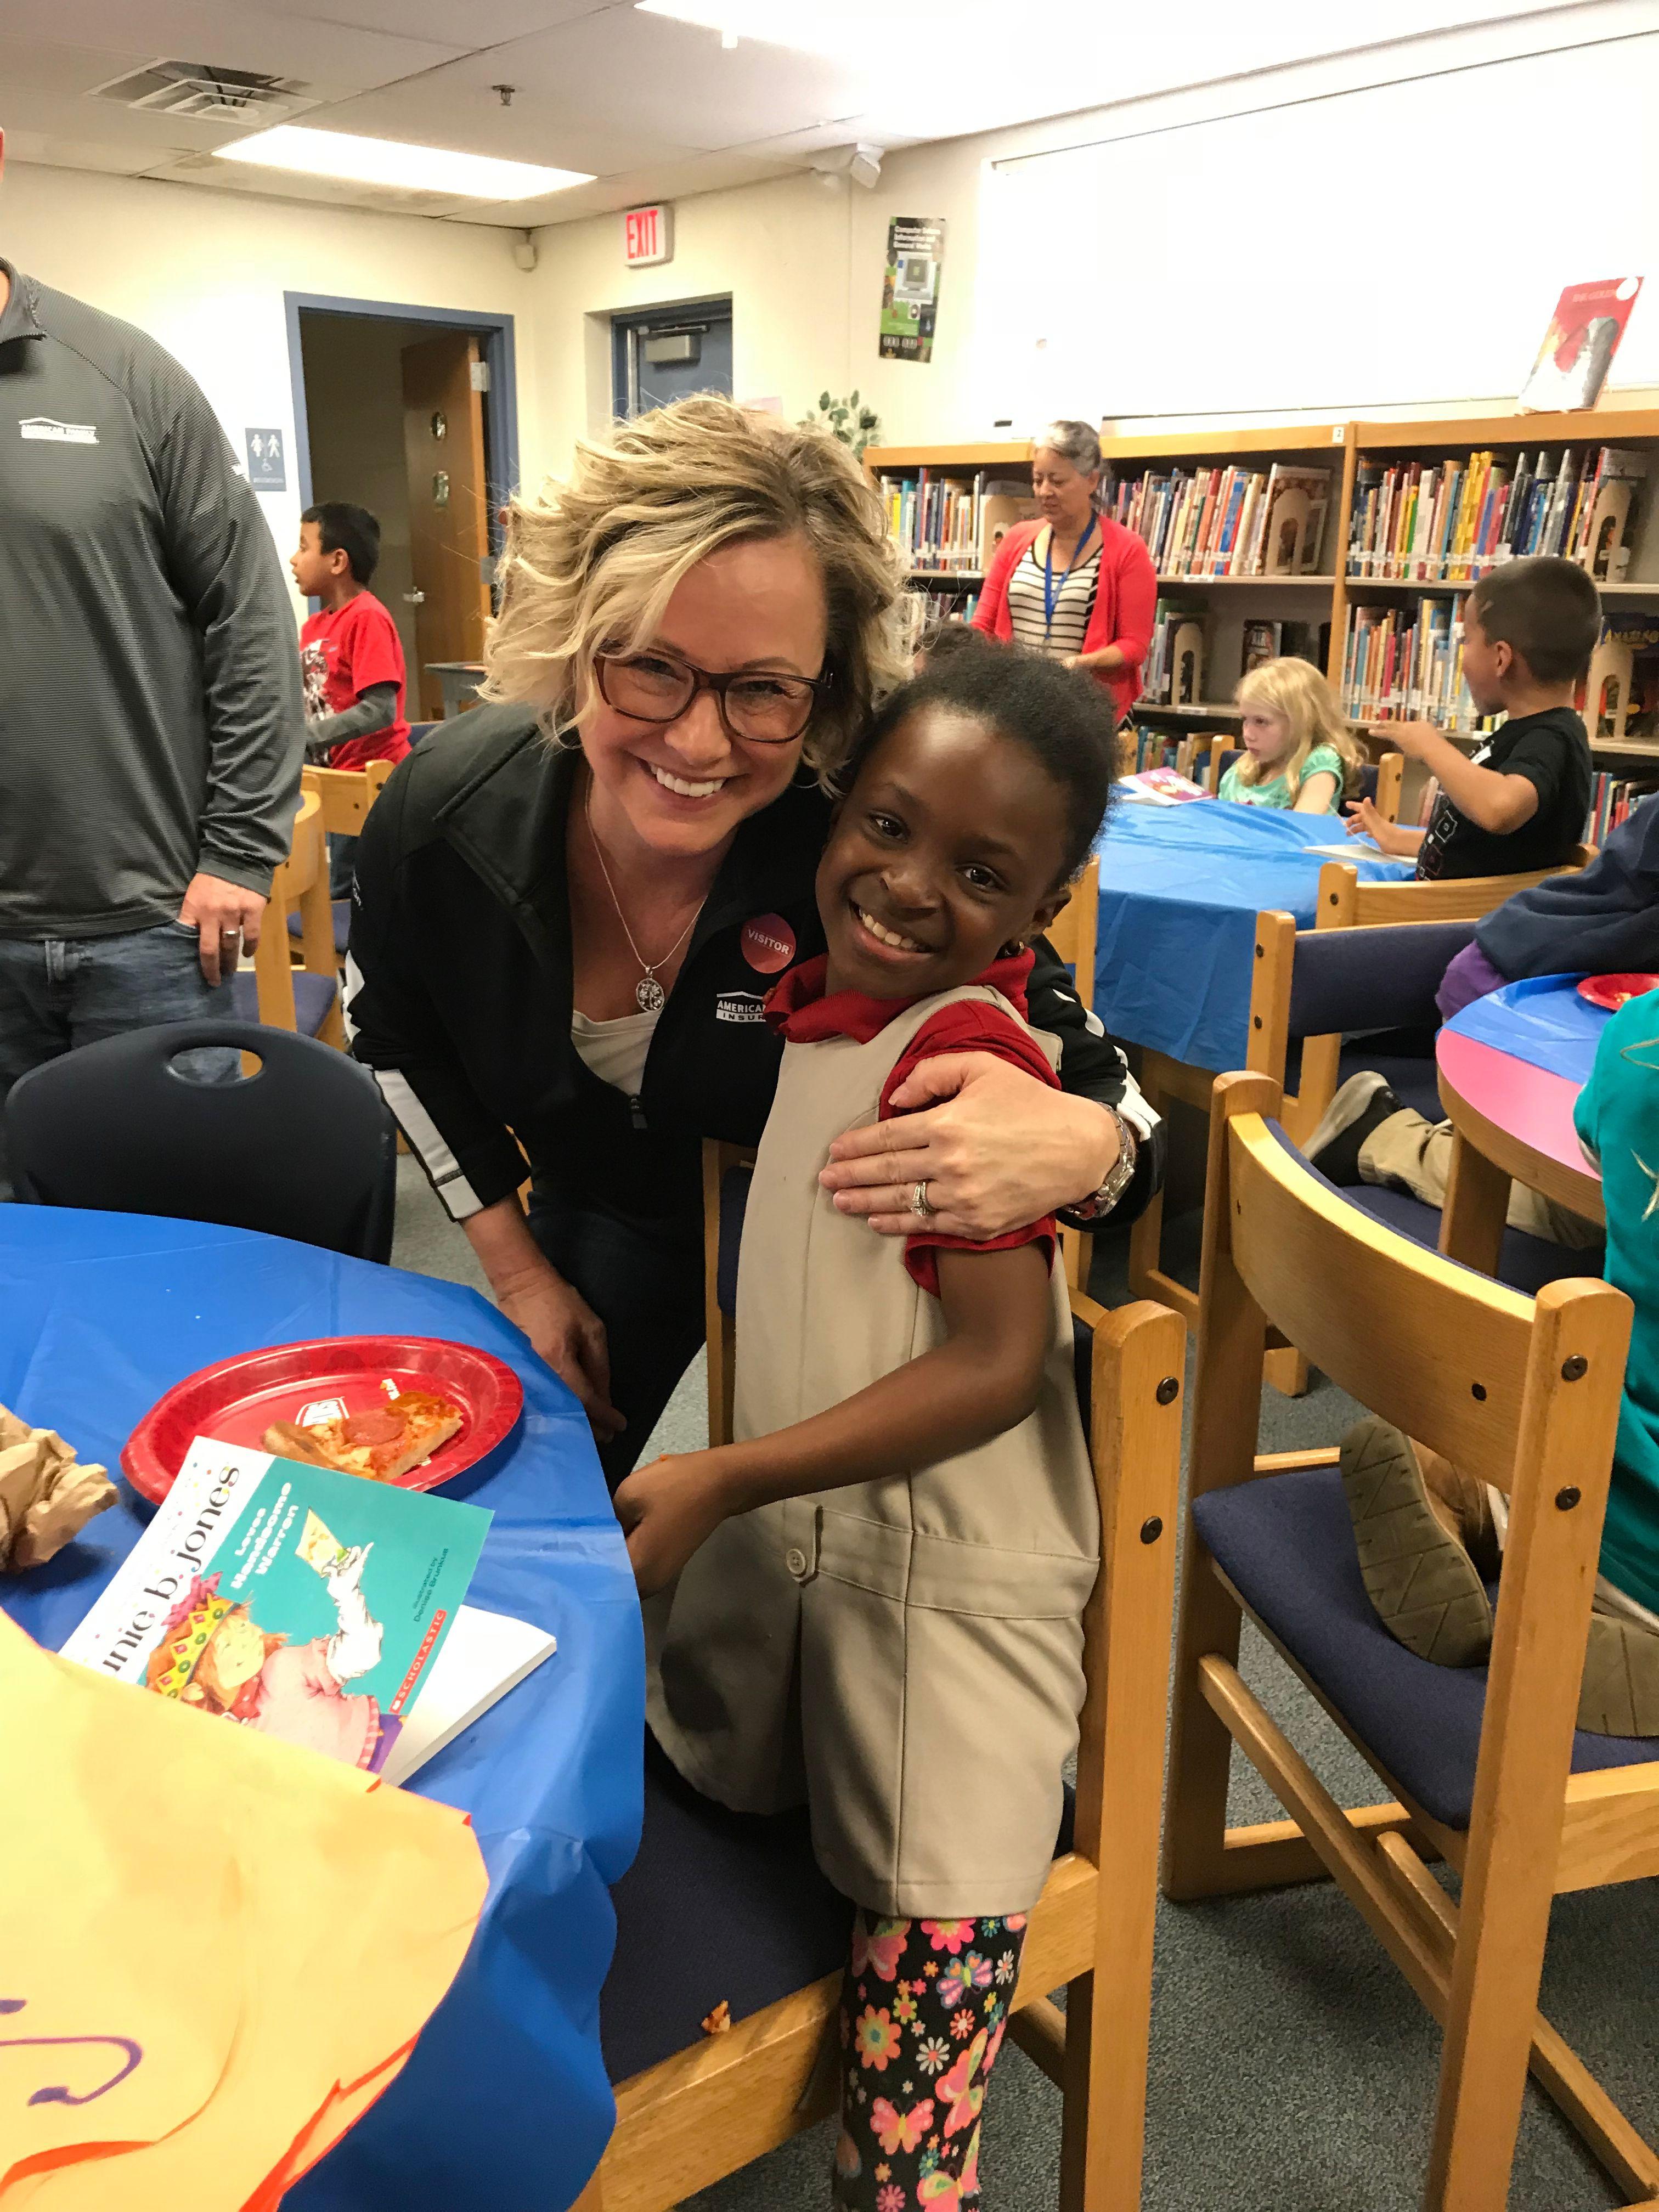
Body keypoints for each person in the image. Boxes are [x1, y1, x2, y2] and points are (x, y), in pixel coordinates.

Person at [346, 398, 1161, 1485]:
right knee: (527, 1496)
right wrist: (520, 1273)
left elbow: (1121, 1108)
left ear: (827, 688)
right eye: (648, 665)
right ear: (575, 635)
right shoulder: (446, 816)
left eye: (764, 690)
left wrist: (1090, 1151)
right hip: (599, 1208)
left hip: (829, 1230)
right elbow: (392, 1031)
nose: (697, 739)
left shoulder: (870, 835)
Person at [618, 639, 1116, 2210]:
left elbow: (994, 1363)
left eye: (982, 872)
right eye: (888, 828)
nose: (908, 887)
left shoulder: (967, 1062)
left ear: (1040, 911)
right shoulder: (816, 1016)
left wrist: (726, 1470)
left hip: (948, 1633)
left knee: (901, 2162)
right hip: (808, 1592)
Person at [0, 139, 302, 1193]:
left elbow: (252, 618)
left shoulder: (121, 375)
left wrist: (241, 850)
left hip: (147, 926)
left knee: (180, 1230)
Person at [1339, 984, 1659, 1737]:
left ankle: (1476, 1482)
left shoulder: (1639, 1033)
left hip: (1592, 1471)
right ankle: (1593, 1616)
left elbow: (1589, 1142)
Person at [1344, 555, 1596, 879]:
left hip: (1453, 924)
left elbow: (1499, 810)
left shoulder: (1551, 739)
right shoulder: (1530, 733)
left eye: (1467, 642)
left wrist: (1431, 747)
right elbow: (1478, 847)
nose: (1462, 659)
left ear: (1501, 659)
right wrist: (1395, 838)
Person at [970, 420, 1156, 722]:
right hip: (1012, 706)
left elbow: (1134, 646)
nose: (1044, 492)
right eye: (1038, 480)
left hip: (1083, 712)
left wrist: (1078, 664)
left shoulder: (1127, 549)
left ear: (1092, 481)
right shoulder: (1016, 539)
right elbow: (982, 627)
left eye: (1057, 481)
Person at [291, 501, 412, 897]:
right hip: (333, 781)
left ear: (338, 560)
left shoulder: (367, 618)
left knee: (351, 892)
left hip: (371, 786)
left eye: (304, 547)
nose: (294, 559)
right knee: (336, 888)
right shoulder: (313, 626)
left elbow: (379, 710)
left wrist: (307, 737)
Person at [1218, 656, 1362, 814]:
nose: (1248, 734)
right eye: (1245, 719)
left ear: (1301, 721)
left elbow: (1302, 826)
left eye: (1261, 721)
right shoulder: (1242, 769)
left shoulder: (1320, 761)